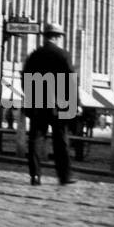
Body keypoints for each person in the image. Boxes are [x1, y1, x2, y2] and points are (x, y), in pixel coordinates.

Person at [21, 26, 75, 185]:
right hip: (59, 104)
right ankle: (64, 176)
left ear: (45, 37)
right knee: (60, 140)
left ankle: (35, 175)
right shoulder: (63, 55)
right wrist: (75, 103)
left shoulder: (34, 55)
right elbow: (70, 81)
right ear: (58, 37)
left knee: (36, 139)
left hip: (37, 103)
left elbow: (24, 79)